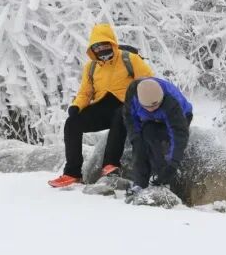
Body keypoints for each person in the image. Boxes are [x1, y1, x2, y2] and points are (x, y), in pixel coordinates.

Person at [47, 23, 153, 188]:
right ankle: (72, 173)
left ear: (112, 43)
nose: (101, 50)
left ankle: (111, 164)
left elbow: (149, 82)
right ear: (93, 50)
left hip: (129, 107)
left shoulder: (129, 59)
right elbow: (85, 93)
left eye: (105, 45)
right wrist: (76, 106)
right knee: (72, 123)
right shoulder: (91, 67)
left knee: (120, 115)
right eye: (97, 47)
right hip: (103, 108)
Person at [124, 77, 193, 193]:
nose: (152, 109)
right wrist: (135, 137)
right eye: (149, 107)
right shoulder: (133, 93)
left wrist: (173, 164)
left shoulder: (171, 103)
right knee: (140, 141)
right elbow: (129, 117)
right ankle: (140, 183)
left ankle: (160, 180)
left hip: (181, 116)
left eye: (156, 106)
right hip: (151, 120)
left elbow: (179, 134)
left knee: (155, 138)